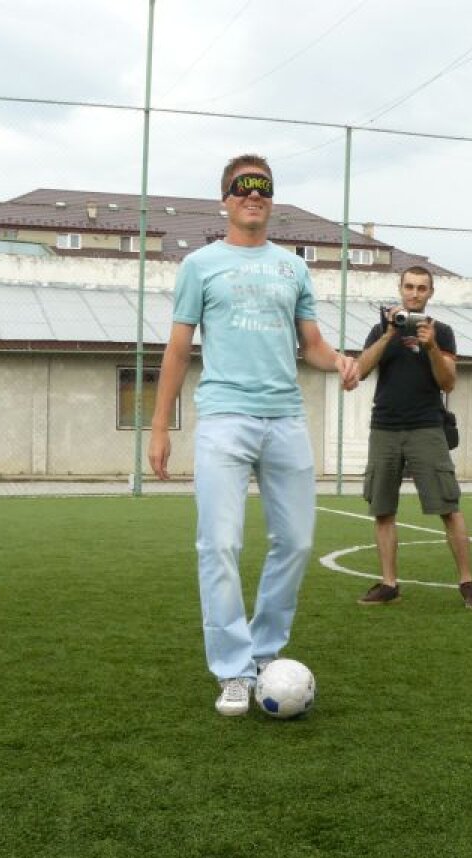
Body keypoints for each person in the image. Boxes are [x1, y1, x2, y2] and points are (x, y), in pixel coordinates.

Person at [147, 154, 360, 716]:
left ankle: (264, 653)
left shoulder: (294, 268)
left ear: (271, 200)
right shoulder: (199, 266)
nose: (253, 195)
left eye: (262, 188)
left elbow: (310, 344)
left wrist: (339, 361)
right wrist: (159, 426)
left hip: (285, 418)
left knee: (296, 543)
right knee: (218, 545)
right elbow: (176, 348)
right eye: (243, 188)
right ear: (225, 198)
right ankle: (233, 671)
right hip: (224, 418)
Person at [354, 266, 472, 611]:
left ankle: (467, 582)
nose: (414, 293)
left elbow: (448, 383)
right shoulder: (379, 329)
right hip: (384, 427)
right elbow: (361, 370)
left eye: (421, 288)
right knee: (382, 508)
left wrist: (430, 347)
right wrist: (386, 334)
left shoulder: (442, 331)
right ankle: (389, 583)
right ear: (400, 289)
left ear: (430, 293)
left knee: (448, 506)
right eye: (409, 287)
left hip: (427, 427)